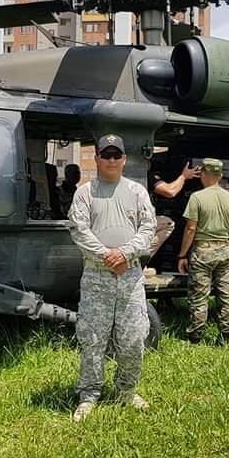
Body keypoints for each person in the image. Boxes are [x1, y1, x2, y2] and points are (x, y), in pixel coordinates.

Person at [67, 134, 157, 422]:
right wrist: (108, 256)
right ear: (96, 159)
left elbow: (148, 228)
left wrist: (125, 254)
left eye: (116, 155)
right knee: (93, 338)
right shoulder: (84, 192)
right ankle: (89, 395)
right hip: (97, 276)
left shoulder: (136, 191)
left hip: (129, 277)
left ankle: (126, 391)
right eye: (105, 155)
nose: (111, 160)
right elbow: (79, 230)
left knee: (133, 338)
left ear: (124, 159)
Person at [176, 158, 229, 346]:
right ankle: (225, 336)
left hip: (202, 252)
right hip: (224, 251)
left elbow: (190, 229)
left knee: (199, 296)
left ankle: (196, 338)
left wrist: (182, 255)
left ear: (203, 174)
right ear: (220, 175)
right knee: (226, 294)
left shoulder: (197, 197)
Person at [143, 157, 201, 268]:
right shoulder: (148, 177)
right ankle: (140, 259)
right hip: (140, 221)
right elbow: (170, 191)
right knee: (168, 223)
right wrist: (183, 176)